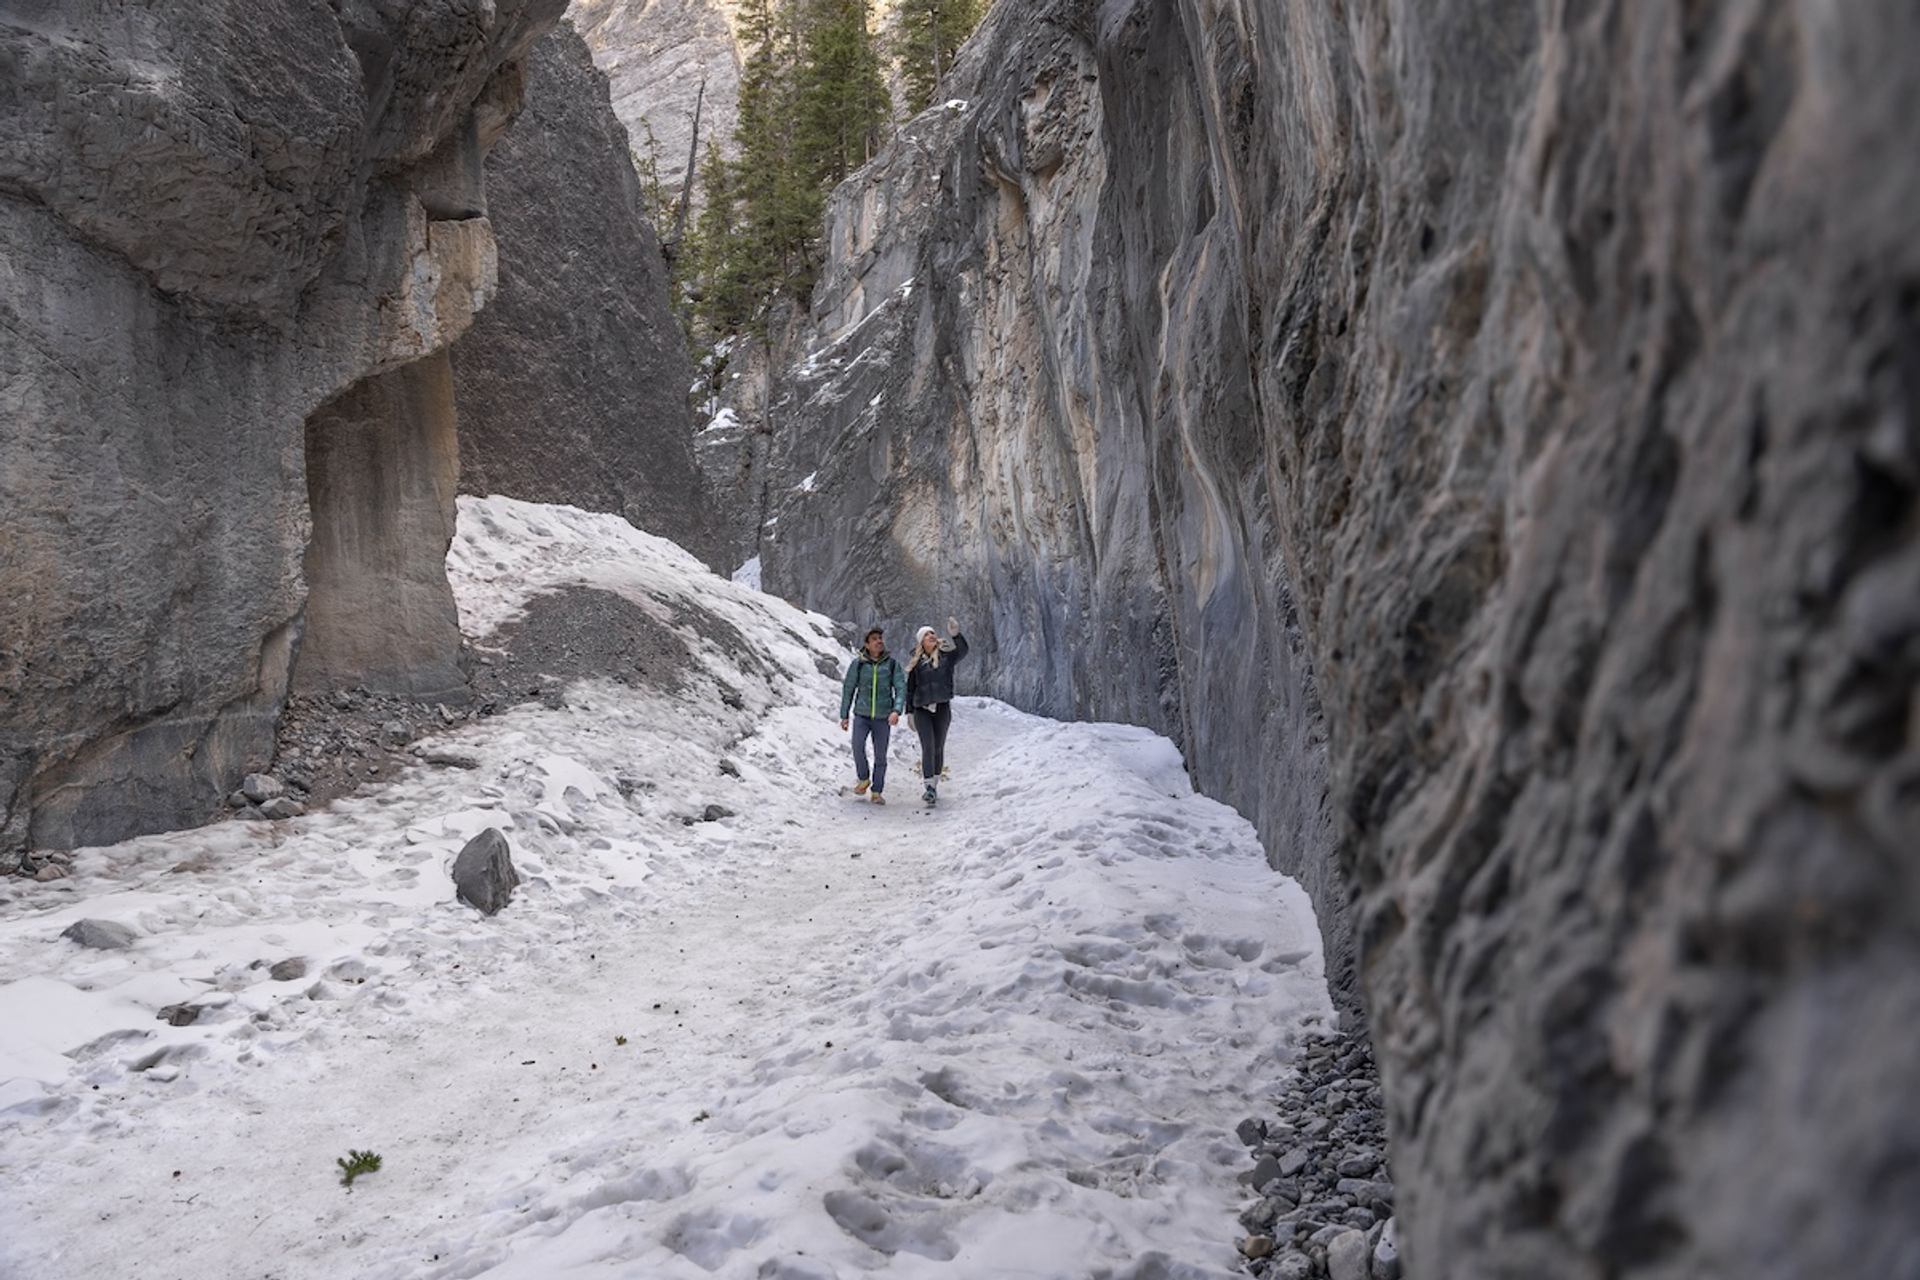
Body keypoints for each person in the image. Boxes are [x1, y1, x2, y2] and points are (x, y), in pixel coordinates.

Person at [905, 615, 968, 806]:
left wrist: (956, 635)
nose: (932, 635)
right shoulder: (916, 663)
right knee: (928, 746)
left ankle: (935, 783)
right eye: (927, 634)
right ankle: (929, 788)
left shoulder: (946, 657)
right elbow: (910, 689)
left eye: (933, 632)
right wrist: (909, 713)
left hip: (941, 707)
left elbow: (963, 651)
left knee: (939, 747)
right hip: (922, 709)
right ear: (921, 641)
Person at [839, 627, 905, 804]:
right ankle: (863, 779)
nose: (879, 641)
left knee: (880, 755)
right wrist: (844, 715)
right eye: (874, 639)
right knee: (857, 746)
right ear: (867, 645)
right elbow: (848, 689)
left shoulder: (891, 664)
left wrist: (896, 710)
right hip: (862, 715)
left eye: (880, 638)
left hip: (883, 717)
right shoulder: (858, 664)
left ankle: (877, 791)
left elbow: (900, 688)